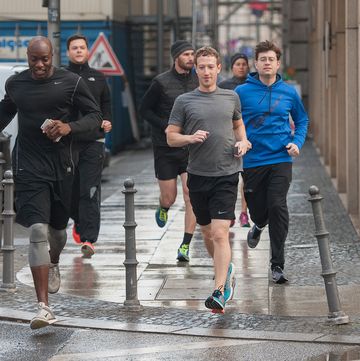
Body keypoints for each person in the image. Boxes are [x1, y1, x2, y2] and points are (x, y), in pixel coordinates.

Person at [0, 36, 102, 329]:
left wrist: (69, 126)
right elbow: (6, 110)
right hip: (29, 167)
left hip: (63, 166)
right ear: (28, 57)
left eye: (45, 59)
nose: (40, 65)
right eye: (35, 59)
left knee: (57, 233)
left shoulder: (71, 82)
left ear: (52, 56)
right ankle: (44, 307)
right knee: (36, 231)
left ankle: (54, 261)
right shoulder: (17, 84)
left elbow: (95, 117)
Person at [166, 46, 251, 313]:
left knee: (219, 232)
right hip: (198, 175)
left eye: (210, 67)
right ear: (196, 69)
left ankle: (218, 290)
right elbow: (170, 136)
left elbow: (238, 125)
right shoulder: (184, 101)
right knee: (205, 232)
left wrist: (244, 142)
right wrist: (190, 138)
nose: (205, 71)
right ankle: (227, 272)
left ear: (218, 68)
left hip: (227, 174)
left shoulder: (231, 97)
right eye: (201, 67)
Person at [235, 40, 309, 284]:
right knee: (259, 210)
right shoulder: (241, 93)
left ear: (278, 64)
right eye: (262, 59)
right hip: (253, 160)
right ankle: (258, 224)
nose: (267, 63)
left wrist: (297, 142)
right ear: (255, 64)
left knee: (278, 206)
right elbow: (232, 122)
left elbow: (302, 120)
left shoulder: (288, 92)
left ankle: (277, 265)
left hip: (280, 157)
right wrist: (239, 142)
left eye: (271, 59)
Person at [139, 40, 198, 262]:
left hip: (190, 147)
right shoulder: (160, 82)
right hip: (165, 147)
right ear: (176, 57)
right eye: (186, 54)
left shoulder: (198, 79)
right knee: (170, 196)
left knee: (190, 194)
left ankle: (185, 245)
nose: (191, 58)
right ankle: (163, 206)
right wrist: (165, 126)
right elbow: (144, 110)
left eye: (193, 54)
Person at [66, 34, 112, 258]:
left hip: (94, 141)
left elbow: (106, 104)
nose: (78, 51)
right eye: (74, 48)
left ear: (88, 51)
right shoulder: (61, 77)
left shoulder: (98, 77)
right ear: (68, 52)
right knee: (71, 189)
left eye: (82, 47)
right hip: (68, 142)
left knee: (90, 190)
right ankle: (77, 220)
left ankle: (89, 239)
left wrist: (106, 121)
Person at [219, 53, 251, 228]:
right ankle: (229, 213)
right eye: (238, 64)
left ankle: (244, 213)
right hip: (227, 135)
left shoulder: (252, 85)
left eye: (244, 64)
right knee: (230, 177)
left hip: (246, 136)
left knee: (246, 178)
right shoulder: (224, 86)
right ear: (232, 67)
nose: (241, 67)